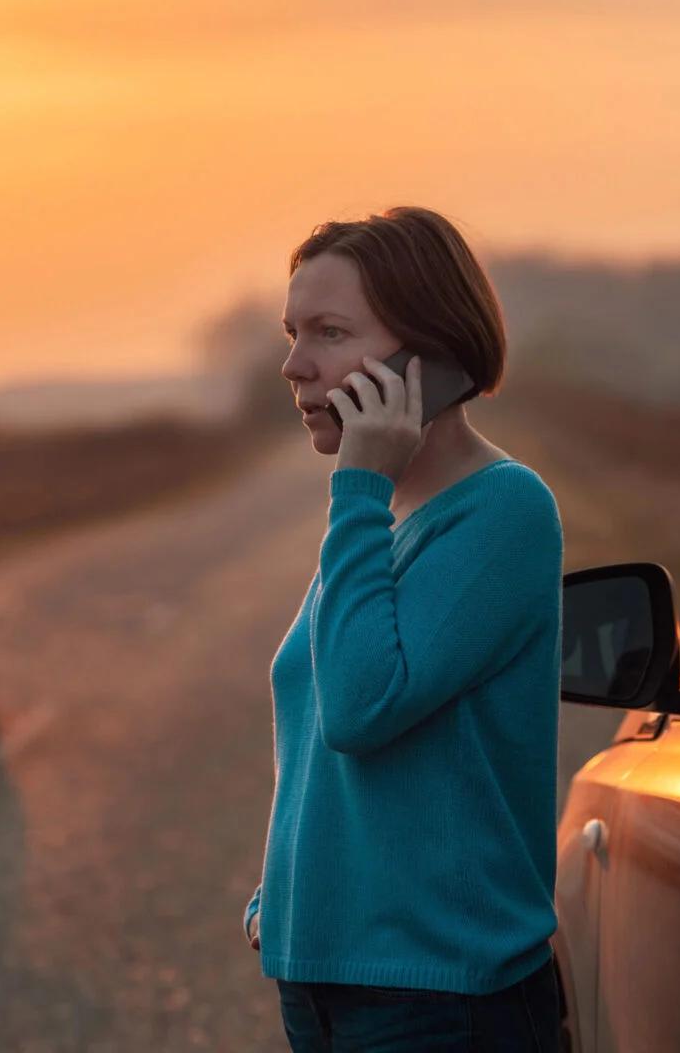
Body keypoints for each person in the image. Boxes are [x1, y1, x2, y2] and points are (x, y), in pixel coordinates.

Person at [247, 207, 565, 1052]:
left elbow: (360, 708)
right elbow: (315, 735)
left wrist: (357, 489)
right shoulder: (384, 515)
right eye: (293, 333)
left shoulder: (504, 511)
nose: (294, 364)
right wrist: (279, 897)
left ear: (426, 357)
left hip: (440, 1002)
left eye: (330, 332)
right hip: (323, 988)